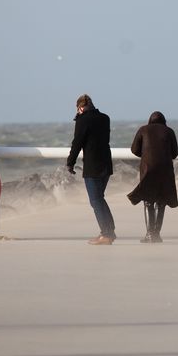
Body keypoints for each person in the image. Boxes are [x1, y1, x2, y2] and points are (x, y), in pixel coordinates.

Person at [67, 94, 115, 245]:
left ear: (80, 108)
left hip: (93, 165)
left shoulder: (83, 120)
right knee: (100, 198)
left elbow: (77, 143)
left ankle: (107, 234)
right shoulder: (105, 118)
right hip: (106, 164)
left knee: (96, 201)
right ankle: (109, 231)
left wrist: (70, 162)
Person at [127, 111, 178, 243]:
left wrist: (146, 155)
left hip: (147, 169)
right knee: (161, 202)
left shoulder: (143, 130)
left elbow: (134, 150)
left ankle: (149, 234)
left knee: (148, 201)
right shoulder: (169, 131)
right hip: (165, 170)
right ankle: (157, 234)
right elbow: (175, 153)